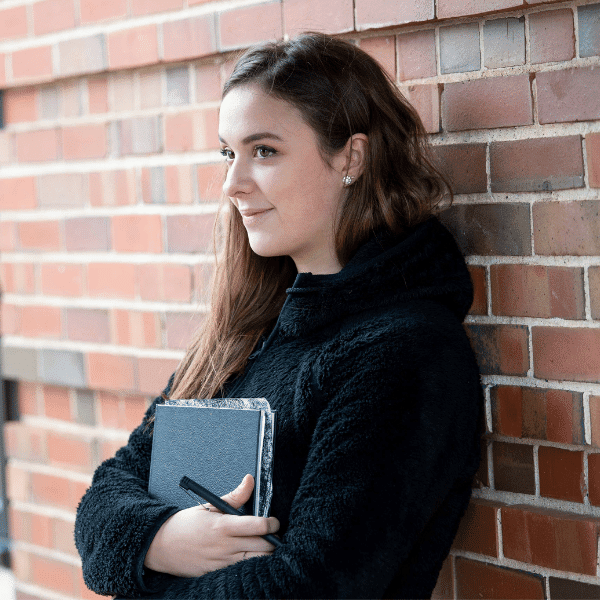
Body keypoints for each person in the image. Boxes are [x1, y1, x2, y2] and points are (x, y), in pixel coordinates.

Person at [75, 32, 483, 599]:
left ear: (351, 157)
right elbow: (106, 498)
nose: (233, 184)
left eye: (263, 151)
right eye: (228, 152)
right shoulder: (244, 334)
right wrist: (161, 540)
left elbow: (312, 584)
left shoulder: (403, 353)